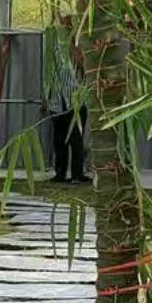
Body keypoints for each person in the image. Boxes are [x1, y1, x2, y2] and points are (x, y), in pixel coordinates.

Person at [48, 15, 91, 184]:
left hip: (76, 101)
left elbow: (84, 66)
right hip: (57, 101)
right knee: (59, 141)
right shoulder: (55, 47)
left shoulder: (80, 47)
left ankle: (77, 175)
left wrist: (73, 47)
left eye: (69, 27)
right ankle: (60, 174)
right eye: (64, 27)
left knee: (76, 140)